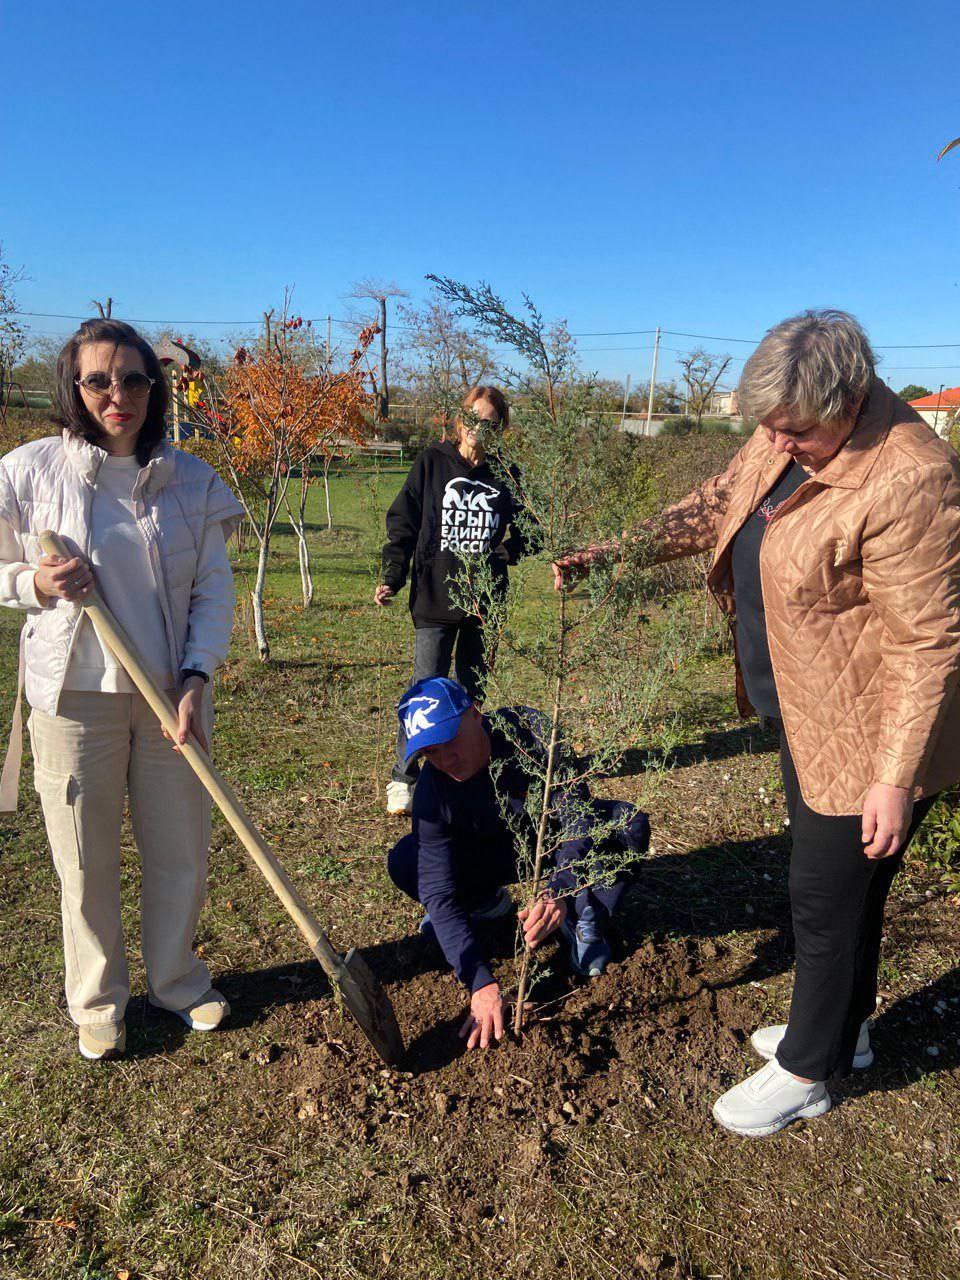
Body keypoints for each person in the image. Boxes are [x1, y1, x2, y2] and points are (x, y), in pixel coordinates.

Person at [556, 309, 960, 1136]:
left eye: (794, 432)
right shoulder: (787, 433)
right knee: (845, 891)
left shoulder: (911, 478)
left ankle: (808, 1070)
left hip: (871, 730)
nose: (777, 444)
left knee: (823, 897)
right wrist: (614, 553)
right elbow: (715, 503)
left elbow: (929, 643)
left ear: (850, 401)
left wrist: (895, 778)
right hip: (807, 710)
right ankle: (842, 1034)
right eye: (769, 428)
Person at [0, 318, 243, 1061]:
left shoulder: (190, 481)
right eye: (98, 380)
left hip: (170, 696)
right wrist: (34, 582)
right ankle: (98, 1001)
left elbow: (213, 591)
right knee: (84, 860)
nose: (118, 395)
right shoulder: (27, 472)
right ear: (73, 387)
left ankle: (177, 981)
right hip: (73, 701)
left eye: (134, 379)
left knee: (179, 851)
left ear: (154, 387)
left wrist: (198, 677)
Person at [386, 677, 650, 1050]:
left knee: (626, 825)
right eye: (431, 752)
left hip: (550, 847)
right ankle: (482, 903)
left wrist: (561, 889)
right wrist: (478, 980)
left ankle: (580, 913)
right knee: (407, 860)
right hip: (486, 856)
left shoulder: (530, 734)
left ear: (474, 714)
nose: (445, 759)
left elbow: (577, 818)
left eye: (450, 741)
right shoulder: (434, 789)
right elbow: (438, 890)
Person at [376, 386, 528, 816]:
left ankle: (464, 776)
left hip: (484, 603)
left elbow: (533, 525)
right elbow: (403, 521)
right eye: (475, 418)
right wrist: (393, 576)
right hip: (435, 599)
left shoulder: (506, 473)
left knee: (472, 696)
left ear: (500, 429)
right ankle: (404, 778)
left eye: (491, 423)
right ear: (462, 420)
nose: (481, 428)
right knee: (426, 691)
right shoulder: (432, 462)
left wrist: (511, 550)